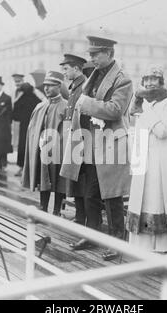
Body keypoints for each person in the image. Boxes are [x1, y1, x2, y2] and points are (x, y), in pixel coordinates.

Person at [60, 36, 133, 260]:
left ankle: (116, 241)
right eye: (90, 54)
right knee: (90, 194)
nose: (90, 58)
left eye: (95, 54)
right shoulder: (94, 75)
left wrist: (86, 104)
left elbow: (115, 110)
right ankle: (92, 235)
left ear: (109, 54)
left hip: (111, 142)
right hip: (89, 142)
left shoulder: (123, 80)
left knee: (112, 196)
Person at [126, 66, 167, 253]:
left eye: (153, 79)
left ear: (161, 81)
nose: (148, 83)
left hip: (162, 161)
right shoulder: (144, 103)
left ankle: (164, 247)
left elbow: (163, 132)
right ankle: (145, 248)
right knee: (144, 202)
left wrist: (145, 109)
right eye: (145, 79)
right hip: (145, 160)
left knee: (160, 202)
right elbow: (139, 131)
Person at [22, 71, 68, 216]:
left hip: (58, 150)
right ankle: (43, 206)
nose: (46, 89)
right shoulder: (40, 106)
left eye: (50, 85)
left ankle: (56, 210)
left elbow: (67, 132)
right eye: (45, 86)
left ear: (59, 86)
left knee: (60, 180)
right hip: (42, 149)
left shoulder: (66, 107)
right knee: (43, 178)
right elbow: (32, 128)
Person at [59, 53, 94, 229]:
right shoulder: (74, 87)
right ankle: (80, 217)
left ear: (76, 68)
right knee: (76, 180)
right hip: (75, 139)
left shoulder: (83, 87)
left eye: (66, 69)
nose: (64, 73)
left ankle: (84, 219)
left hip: (82, 140)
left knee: (83, 182)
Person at [11, 73, 41, 177]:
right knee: (33, 147)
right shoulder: (36, 99)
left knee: (23, 146)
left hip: (24, 126)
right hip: (35, 126)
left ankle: (22, 168)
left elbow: (15, 116)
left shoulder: (20, 98)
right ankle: (32, 169)